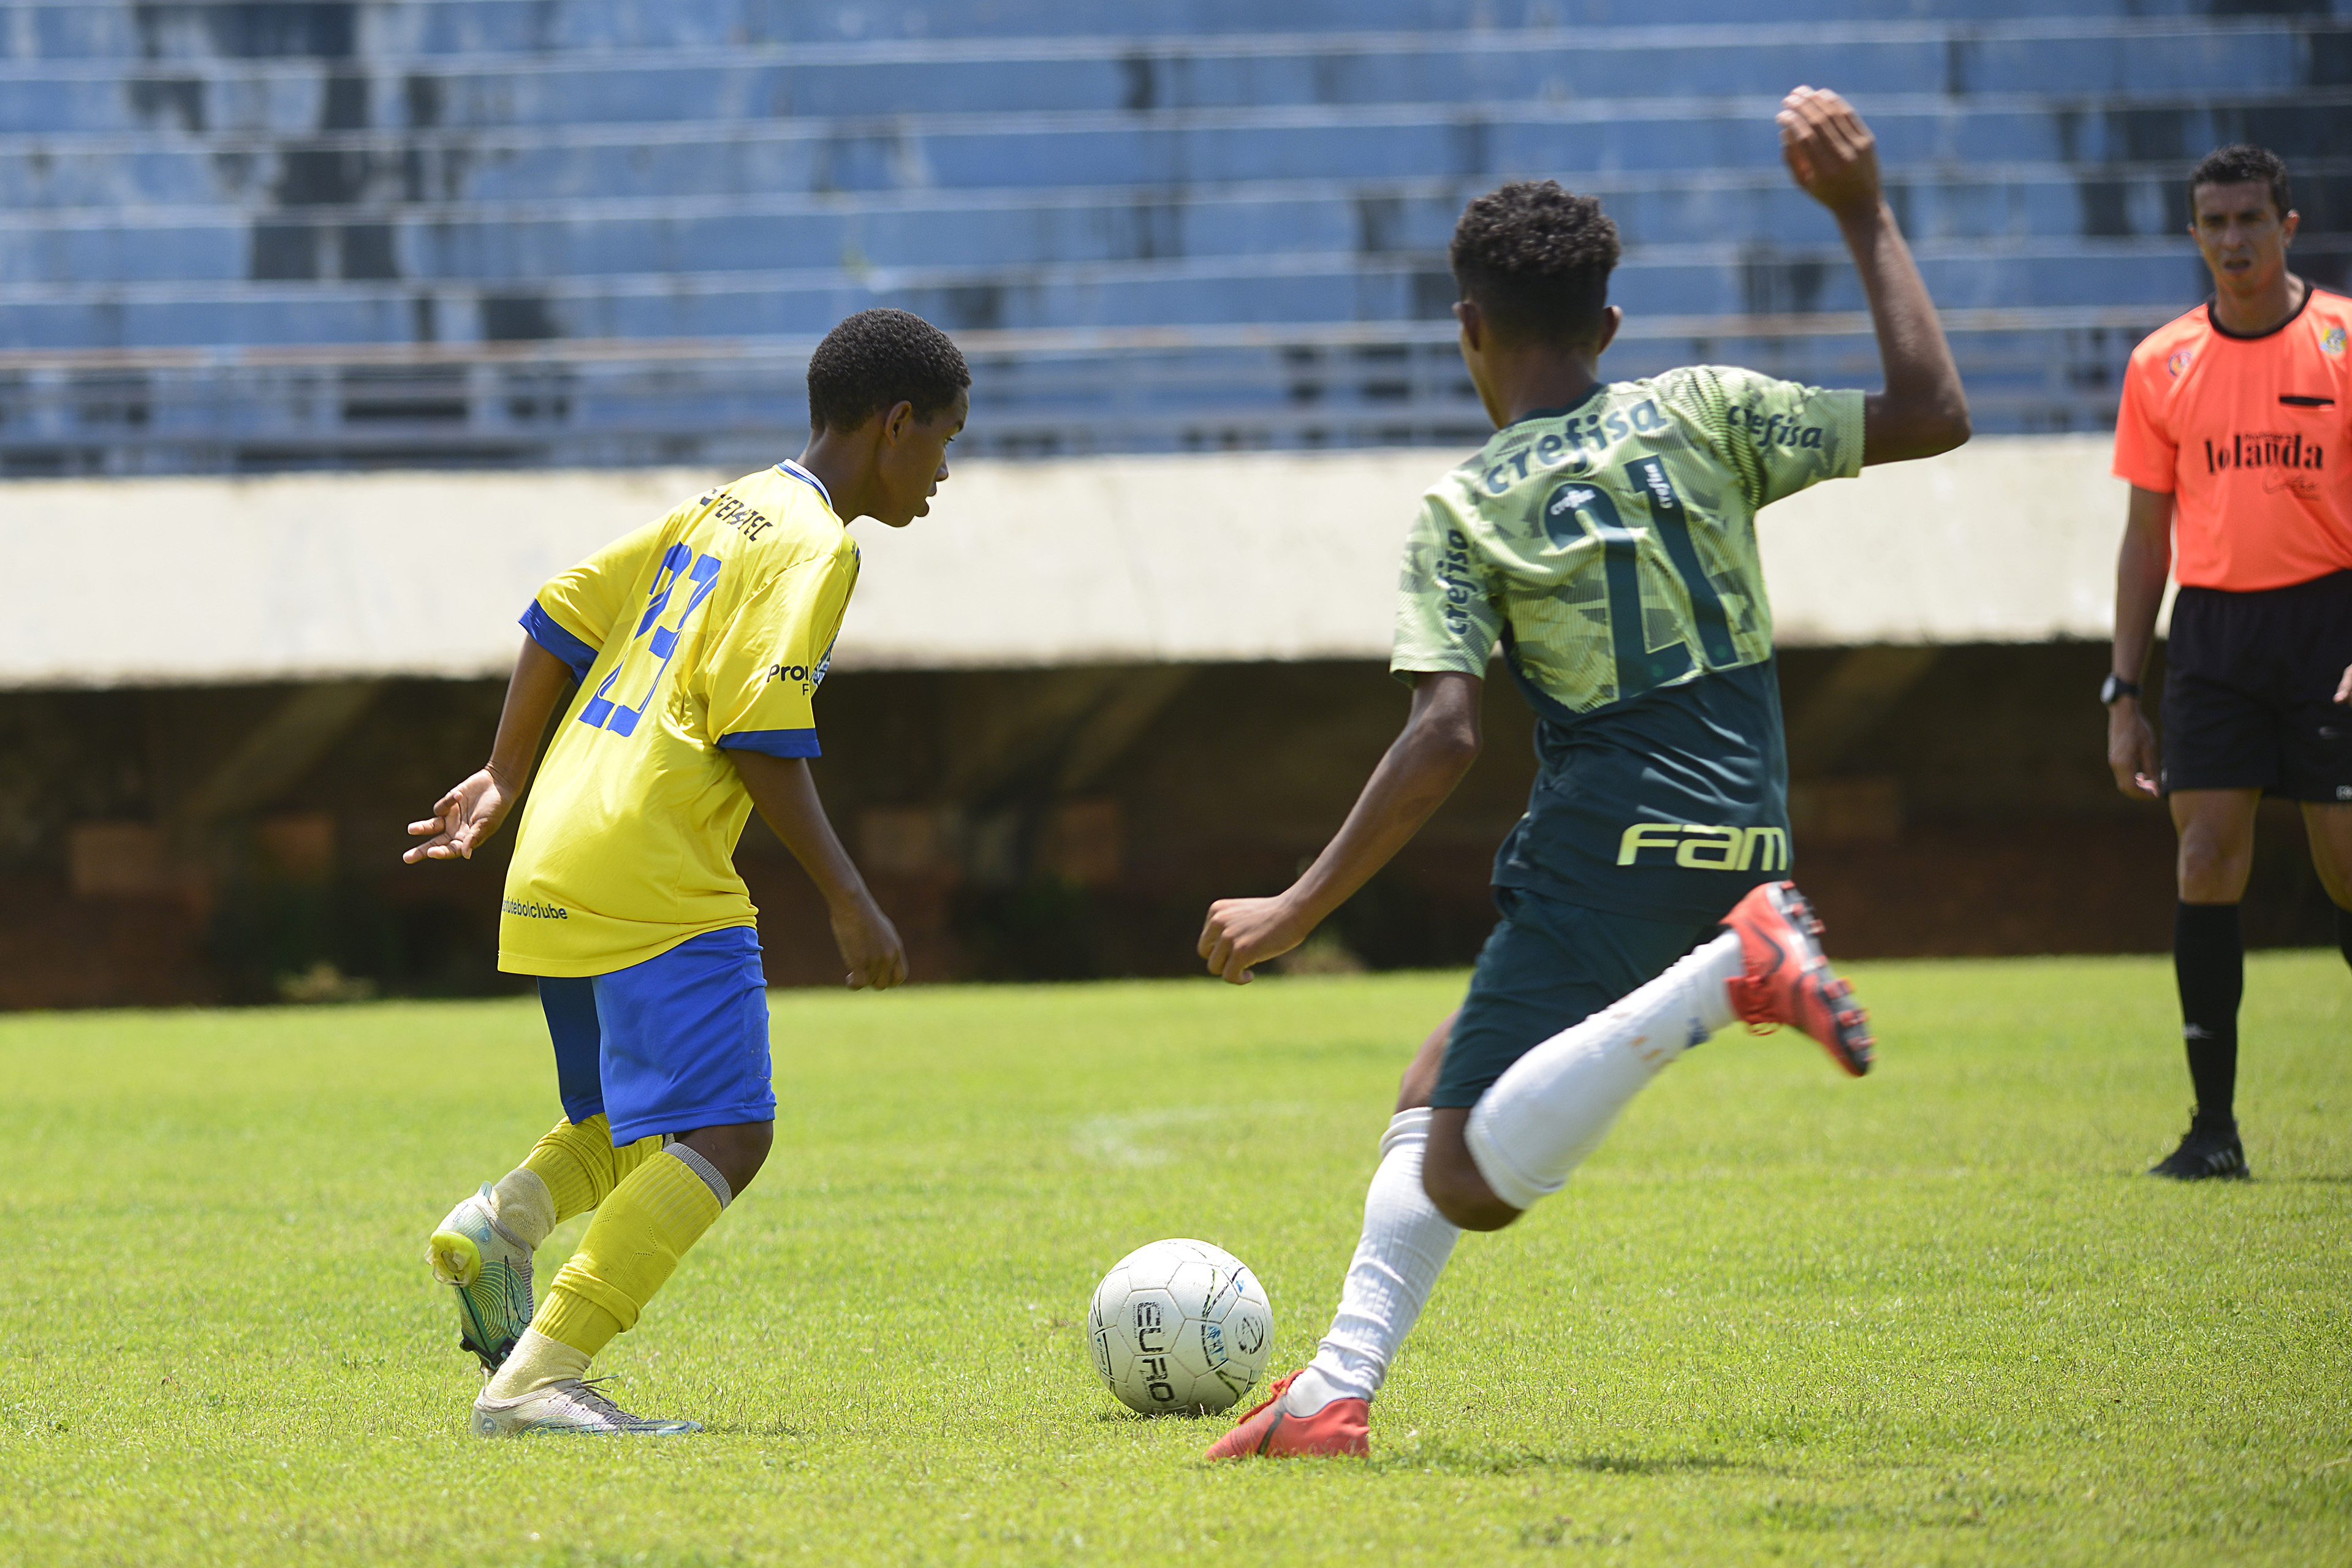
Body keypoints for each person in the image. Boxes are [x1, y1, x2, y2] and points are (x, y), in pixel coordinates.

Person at [1194, 86, 1969, 1460]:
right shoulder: (1706, 407)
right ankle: (1331, 1390)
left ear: (1466, 330)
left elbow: (1443, 736)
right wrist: (1860, 213)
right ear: (1607, 327)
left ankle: (1726, 979)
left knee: (1463, 1173)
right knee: (1434, 1080)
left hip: (1609, 831)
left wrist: (1298, 906)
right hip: (1743, 822)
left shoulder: (1470, 503)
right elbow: (1929, 409)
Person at [402, 308, 968, 1435]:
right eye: (947, 440)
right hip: (651, 864)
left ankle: (498, 1226)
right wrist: (849, 899)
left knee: (626, 1120)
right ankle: (539, 1378)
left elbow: (561, 608)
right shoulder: (818, 544)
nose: (946, 473)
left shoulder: (722, 506)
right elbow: (760, 728)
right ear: (895, 424)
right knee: (728, 1131)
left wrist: (507, 777)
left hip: (558, 841)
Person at [2106, 145, 2352, 1183]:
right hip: (2210, 634)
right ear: (2194, 234)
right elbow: (2143, 539)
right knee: (2205, 860)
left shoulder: (2343, 341)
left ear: (2286, 226)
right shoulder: (2160, 364)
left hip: (2328, 626)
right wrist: (2123, 690)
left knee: (2347, 868)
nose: (2233, 240)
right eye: (2214, 223)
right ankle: (2213, 1134)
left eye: (2250, 219)